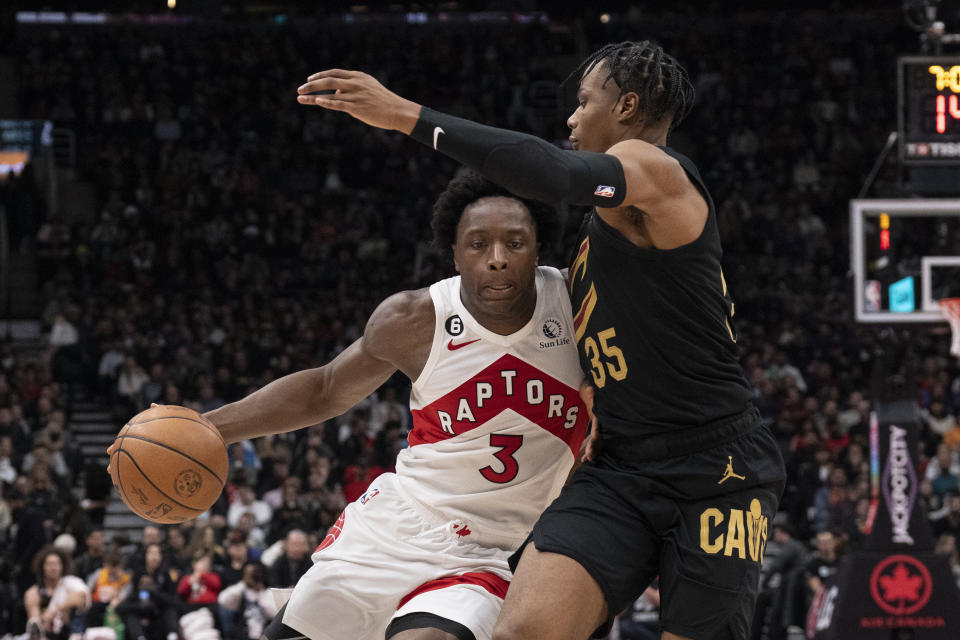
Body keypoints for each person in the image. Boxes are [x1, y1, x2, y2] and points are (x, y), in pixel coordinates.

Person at [296, 39, 786, 640]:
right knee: (522, 630)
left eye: (585, 101)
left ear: (627, 106)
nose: (572, 118)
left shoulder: (659, 172)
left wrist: (406, 116)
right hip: (622, 467)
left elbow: (550, 172)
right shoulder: (598, 234)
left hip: (717, 466)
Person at [112, 171, 588, 640]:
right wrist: (206, 428)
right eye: (479, 244)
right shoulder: (415, 318)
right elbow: (324, 389)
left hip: (488, 552)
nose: (498, 259)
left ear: (540, 247)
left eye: (515, 243)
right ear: (455, 255)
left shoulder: (578, 306)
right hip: (395, 527)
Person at [24, 546, 92, 640]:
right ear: (42, 567)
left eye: (57, 564)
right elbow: (35, 622)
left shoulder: (70, 583)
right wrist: (44, 620)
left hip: (72, 633)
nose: (53, 568)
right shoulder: (34, 592)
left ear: (62, 566)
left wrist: (54, 610)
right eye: (49, 564)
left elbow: (80, 597)